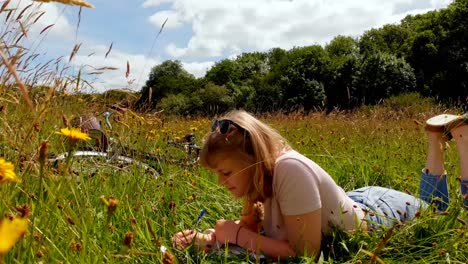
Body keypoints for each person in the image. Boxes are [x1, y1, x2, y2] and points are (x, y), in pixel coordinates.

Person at [171, 110, 468, 259]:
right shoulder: (257, 178)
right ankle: (436, 138)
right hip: (347, 204)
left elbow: (305, 253)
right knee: (439, 211)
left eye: (225, 172)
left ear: (252, 159)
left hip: (380, 213)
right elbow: (251, 230)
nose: (221, 182)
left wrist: (234, 233)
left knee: (446, 217)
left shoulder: (290, 169)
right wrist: (211, 237)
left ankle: (458, 140)